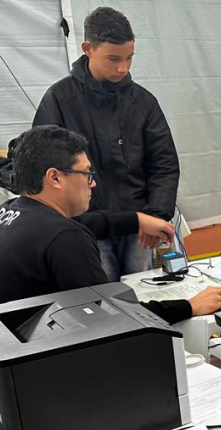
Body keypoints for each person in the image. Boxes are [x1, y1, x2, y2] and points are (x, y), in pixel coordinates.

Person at [0, 126, 221, 323]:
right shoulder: (64, 237)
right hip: (40, 369)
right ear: (55, 177)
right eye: (86, 174)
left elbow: (86, 222)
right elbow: (113, 318)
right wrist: (189, 306)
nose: (93, 183)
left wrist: (137, 219)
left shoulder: (6, 214)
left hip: (1, 353)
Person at [33, 6, 179, 281]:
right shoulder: (59, 100)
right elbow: (46, 169)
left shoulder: (144, 103)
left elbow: (164, 164)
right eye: (113, 59)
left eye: (129, 58)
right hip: (86, 227)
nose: (122, 68)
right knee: (103, 300)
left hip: (139, 225)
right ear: (87, 48)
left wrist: (156, 215)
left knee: (142, 294)